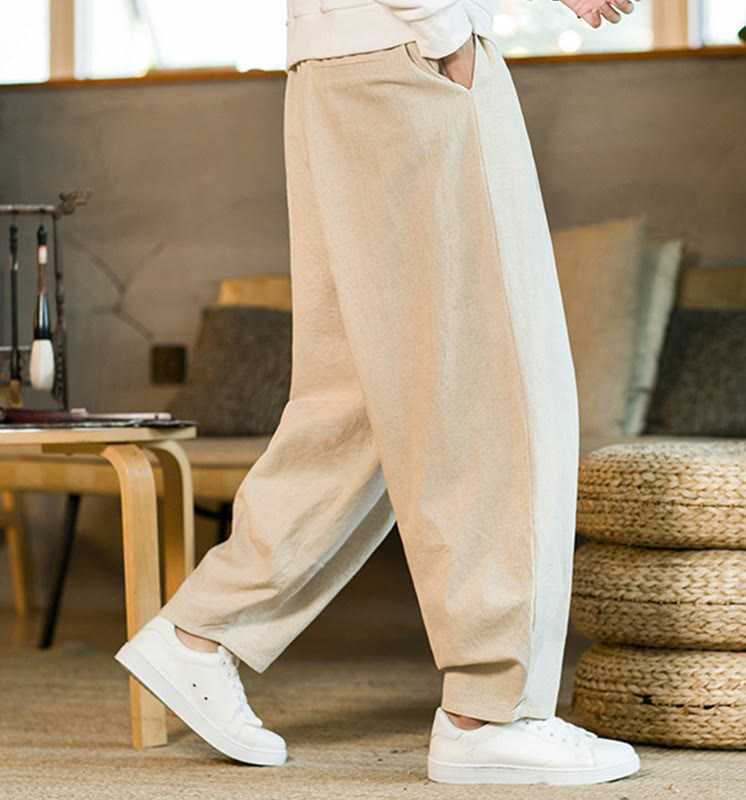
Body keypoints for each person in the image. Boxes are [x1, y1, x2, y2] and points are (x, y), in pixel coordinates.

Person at [116, 0, 643, 785]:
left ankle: (204, 631)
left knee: (363, 392)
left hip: (342, 65)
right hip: (410, 60)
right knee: (497, 385)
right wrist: (445, 34)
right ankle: (490, 712)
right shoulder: (429, 46)